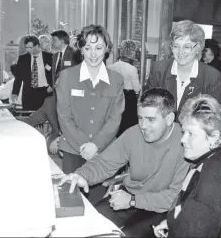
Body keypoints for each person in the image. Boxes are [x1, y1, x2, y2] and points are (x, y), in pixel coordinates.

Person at [58, 88, 190, 237]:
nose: (143, 126)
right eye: (140, 118)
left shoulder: (187, 143)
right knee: (89, 224)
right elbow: (104, 163)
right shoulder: (133, 134)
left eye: (151, 119)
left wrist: (133, 201)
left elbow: (173, 197)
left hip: (162, 210)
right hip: (129, 197)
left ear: (169, 119)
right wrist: (82, 175)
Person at [153, 94, 221, 237]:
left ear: (214, 137)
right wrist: (172, 222)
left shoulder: (211, 180)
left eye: (191, 134)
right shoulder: (213, 161)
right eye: (184, 132)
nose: (183, 139)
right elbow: (189, 211)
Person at [55, 24, 125, 175]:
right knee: (75, 197)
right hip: (73, 150)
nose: (93, 54)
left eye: (98, 48)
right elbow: (64, 116)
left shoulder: (116, 79)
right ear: (80, 50)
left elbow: (115, 118)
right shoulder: (67, 77)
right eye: (87, 48)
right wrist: (85, 145)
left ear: (107, 48)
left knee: (100, 198)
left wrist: (96, 145)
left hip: (104, 151)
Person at [145, 20, 221, 119]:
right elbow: (148, 107)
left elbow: (210, 118)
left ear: (199, 48)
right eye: (176, 46)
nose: (180, 52)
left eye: (187, 47)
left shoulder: (212, 76)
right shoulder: (158, 69)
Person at [107, 40, 141, 137]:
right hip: (129, 97)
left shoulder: (111, 67)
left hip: (115, 95)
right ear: (132, 53)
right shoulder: (132, 69)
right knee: (129, 123)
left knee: (117, 120)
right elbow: (137, 88)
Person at [12, 35, 53, 110]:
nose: (28, 50)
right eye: (26, 47)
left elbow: (56, 74)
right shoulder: (23, 59)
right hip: (28, 94)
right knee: (29, 119)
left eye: (30, 47)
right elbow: (18, 78)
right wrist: (15, 93)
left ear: (37, 45)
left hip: (45, 93)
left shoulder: (50, 57)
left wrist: (52, 86)